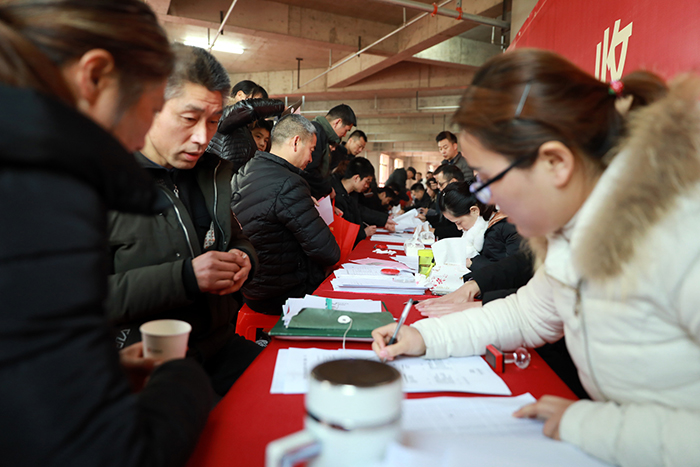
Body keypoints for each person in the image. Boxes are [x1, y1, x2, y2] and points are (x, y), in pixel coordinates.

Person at [372, 48, 700, 467]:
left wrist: (588, 424)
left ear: (555, 162)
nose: (488, 199)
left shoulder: (681, 234)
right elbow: (525, 315)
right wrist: (424, 338)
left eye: (489, 180)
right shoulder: (574, 231)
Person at [0, 1, 213, 466]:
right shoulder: (42, 195)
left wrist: (100, 371)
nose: (140, 140)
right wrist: (183, 377)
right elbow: (110, 453)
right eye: (150, 110)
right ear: (94, 77)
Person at [106, 44, 262, 397]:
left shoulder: (210, 175)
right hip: (147, 365)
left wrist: (244, 259)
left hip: (219, 346)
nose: (203, 138)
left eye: (213, 121)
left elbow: (236, 237)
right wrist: (186, 278)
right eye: (189, 119)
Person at [231, 114, 341, 314]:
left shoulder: (245, 170)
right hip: (281, 293)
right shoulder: (289, 183)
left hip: (249, 288)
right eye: (311, 150)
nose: (310, 159)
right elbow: (328, 252)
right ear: (296, 142)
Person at [439, 181, 521, 271]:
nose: (459, 228)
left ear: (474, 211)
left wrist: (472, 263)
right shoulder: (480, 228)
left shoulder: (507, 227)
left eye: (459, 223)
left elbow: (512, 271)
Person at [207, 80, 284, 172]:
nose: (260, 106)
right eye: (257, 101)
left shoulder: (242, 127)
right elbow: (250, 108)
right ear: (239, 95)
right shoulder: (222, 113)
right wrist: (281, 107)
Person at [331, 157, 394, 245]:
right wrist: (363, 234)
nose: (367, 186)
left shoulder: (352, 193)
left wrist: (384, 219)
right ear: (356, 178)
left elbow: (360, 210)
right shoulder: (333, 193)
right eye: (367, 181)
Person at [305, 104, 357, 199]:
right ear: (337, 122)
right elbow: (309, 170)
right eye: (346, 130)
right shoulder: (317, 133)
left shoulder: (321, 133)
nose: (344, 135)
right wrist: (327, 189)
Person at [422, 164, 462, 239]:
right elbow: (444, 221)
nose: (438, 187)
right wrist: (427, 219)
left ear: (453, 182)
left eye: (440, 184)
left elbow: (459, 230)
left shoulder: (463, 200)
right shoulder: (448, 198)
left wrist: (434, 231)